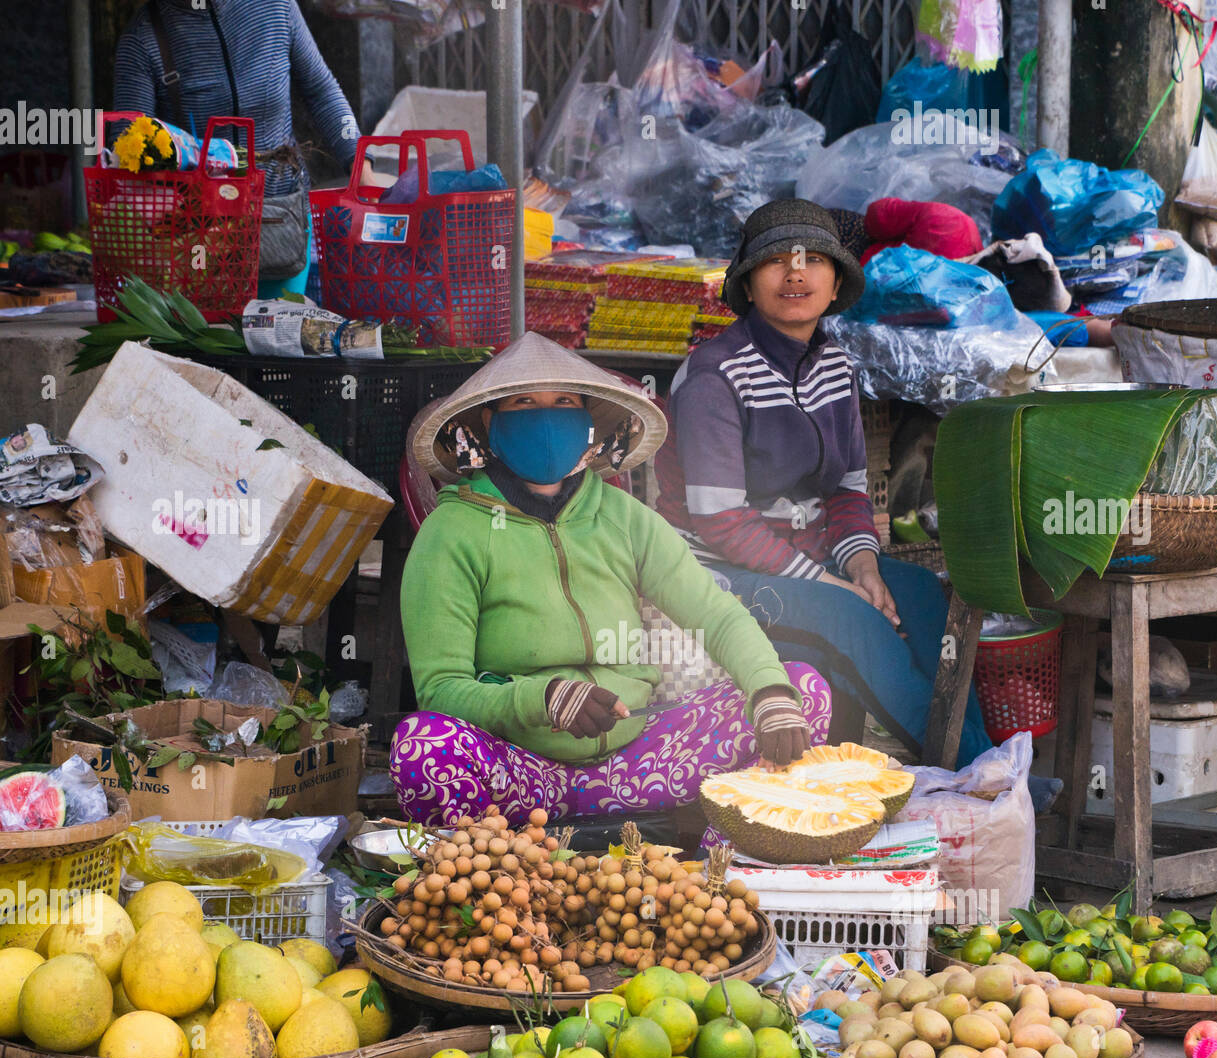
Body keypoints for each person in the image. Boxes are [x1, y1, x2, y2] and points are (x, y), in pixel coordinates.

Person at [392, 333, 831, 827]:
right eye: (522, 403)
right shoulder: (452, 531)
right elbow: (440, 690)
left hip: (641, 758)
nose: (545, 416)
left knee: (801, 689)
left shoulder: (623, 516)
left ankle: (719, 863)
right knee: (422, 748)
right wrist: (542, 699)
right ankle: (509, 866)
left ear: (585, 421)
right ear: (490, 423)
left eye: (563, 402)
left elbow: (716, 614)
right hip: (521, 774)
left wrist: (770, 694)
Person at [663, 197, 999, 767]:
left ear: (837, 278)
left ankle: (981, 762)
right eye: (777, 261)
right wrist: (830, 584)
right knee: (852, 618)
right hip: (715, 577)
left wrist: (863, 566)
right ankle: (974, 772)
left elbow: (846, 490)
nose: (796, 273)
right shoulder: (713, 376)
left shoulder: (835, 366)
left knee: (920, 594)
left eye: (814, 259)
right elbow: (721, 523)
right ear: (746, 285)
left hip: (811, 560)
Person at [113, 0, 360, 297]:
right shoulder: (143, 38)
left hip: (282, 218)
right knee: (210, 336)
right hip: (197, 231)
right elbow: (127, 151)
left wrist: (360, 163)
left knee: (277, 332)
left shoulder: (276, 7)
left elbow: (321, 91)